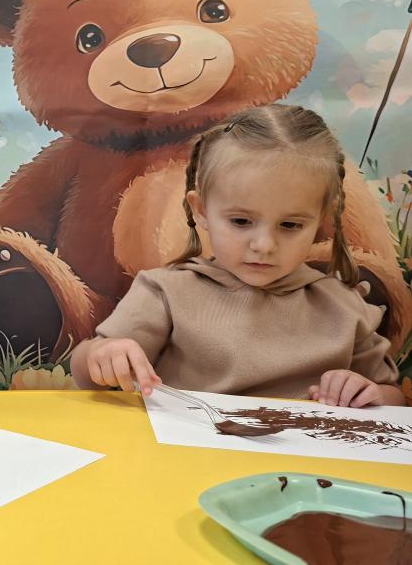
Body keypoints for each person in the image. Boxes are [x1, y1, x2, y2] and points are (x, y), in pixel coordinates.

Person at [70, 104, 403, 408]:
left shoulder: (344, 306)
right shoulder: (166, 292)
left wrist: (369, 393)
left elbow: (393, 398)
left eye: (290, 225)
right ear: (201, 211)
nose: (264, 245)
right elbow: (86, 371)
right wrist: (102, 355)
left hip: (310, 454)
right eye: (241, 221)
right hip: (188, 449)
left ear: (320, 220)